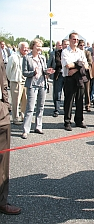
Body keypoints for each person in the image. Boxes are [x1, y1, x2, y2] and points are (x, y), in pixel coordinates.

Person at [0, 52, 21, 215]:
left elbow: (3, 80)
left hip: (1, 115)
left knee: (2, 162)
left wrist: (5, 106)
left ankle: (1, 201)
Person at [21, 39, 54, 139]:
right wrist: (33, 73)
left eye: (40, 46)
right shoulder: (27, 57)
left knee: (41, 107)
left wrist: (47, 71)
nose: (39, 48)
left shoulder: (42, 57)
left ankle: (38, 126)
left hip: (42, 84)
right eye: (37, 46)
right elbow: (24, 72)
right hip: (32, 84)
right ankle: (26, 130)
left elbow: (43, 70)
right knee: (30, 108)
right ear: (33, 46)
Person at [61, 32, 88, 131]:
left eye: (77, 39)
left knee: (80, 99)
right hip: (69, 79)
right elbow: (68, 65)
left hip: (79, 77)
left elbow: (86, 65)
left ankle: (79, 120)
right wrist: (79, 65)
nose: (75, 41)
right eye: (74, 39)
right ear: (69, 40)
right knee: (69, 100)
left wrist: (76, 68)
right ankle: (67, 121)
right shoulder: (65, 52)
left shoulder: (81, 52)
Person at [6, 42, 29, 125]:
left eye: (27, 48)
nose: (26, 49)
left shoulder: (27, 57)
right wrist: (12, 79)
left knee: (25, 100)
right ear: (20, 48)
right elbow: (8, 70)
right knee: (16, 101)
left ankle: (23, 116)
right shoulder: (13, 57)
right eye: (24, 48)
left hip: (26, 81)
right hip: (16, 81)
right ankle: (15, 118)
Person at [51, 39, 69, 117]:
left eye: (67, 44)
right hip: (59, 75)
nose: (66, 46)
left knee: (67, 94)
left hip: (68, 75)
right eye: (65, 44)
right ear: (62, 45)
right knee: (57, 93)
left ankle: (66, 109)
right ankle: (57, 109)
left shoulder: (71, 53)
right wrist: (67, 63)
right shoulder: (57, 52)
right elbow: (58, 62)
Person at [78, 40, 93, 112]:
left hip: (86, 74)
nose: (82, 47)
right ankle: (79, 105)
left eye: (83, 45)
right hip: (78, 74)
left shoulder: (87, 53)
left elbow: (90, 62)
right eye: (80, 45)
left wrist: (82, 65)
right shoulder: (76, 53)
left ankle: (87, 105)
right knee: (79, 91)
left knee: (87, 90)